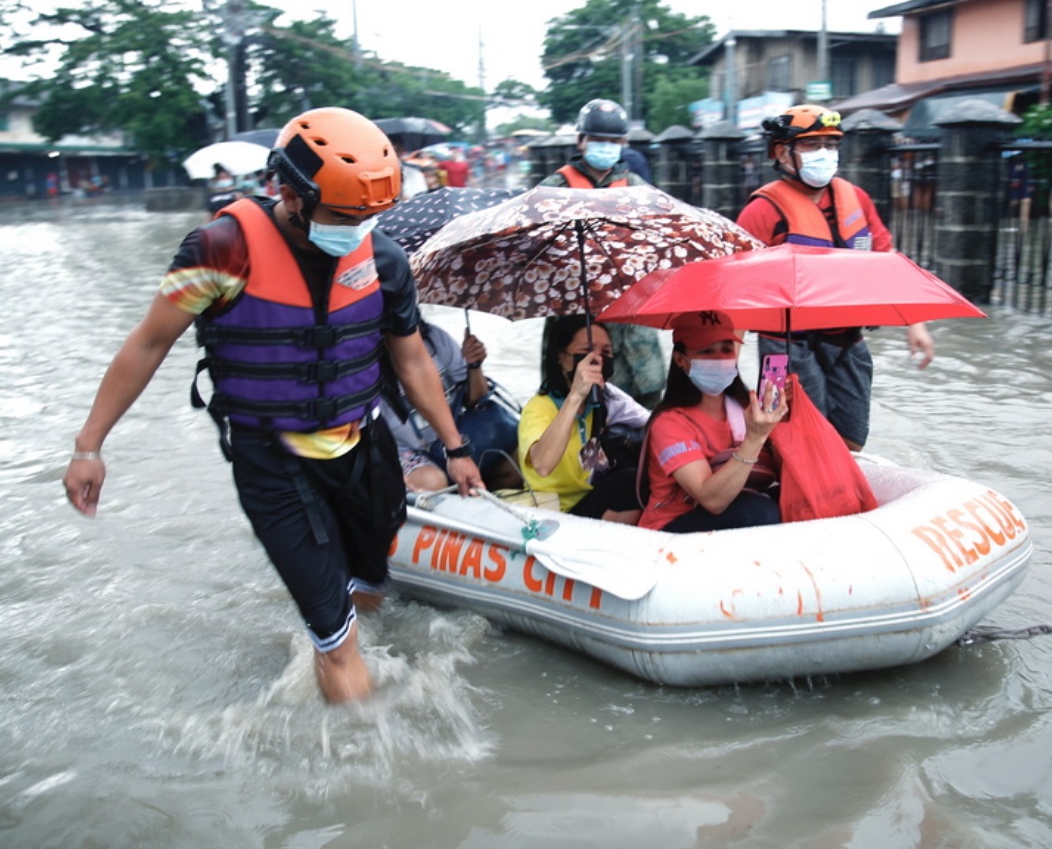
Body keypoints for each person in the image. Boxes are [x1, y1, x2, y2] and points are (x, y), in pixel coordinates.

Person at [62, 107, 484, 705]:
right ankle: (358, 758)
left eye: (370, 217)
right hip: (273, 461)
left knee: (369, 587)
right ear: (289, 192)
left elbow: (412, 360)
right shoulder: (220, 251)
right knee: (338, 641)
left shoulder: (383, 259)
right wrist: (89, 446)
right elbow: (149, 342)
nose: (359, 230)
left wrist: (457, 448)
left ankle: (339, 623)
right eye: (343, 216)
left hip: (365, 453)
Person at [735, 104, 935, 452]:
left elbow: (887, 261)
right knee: (791, 434)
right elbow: (736, 289)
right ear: (783, 152)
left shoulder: (855, 198)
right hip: (781, 348)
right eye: (813, 146)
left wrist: (915, 324)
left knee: (852, 438)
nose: (825, 154)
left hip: (847, 339)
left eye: (831, 145)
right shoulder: (762, 211)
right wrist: (726, 355)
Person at [538, 98, 665, 408]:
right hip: (574, 315)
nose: (606, 147)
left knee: (644, 405)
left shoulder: (636, 189)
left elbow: (658, 242)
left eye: (613, 141)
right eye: (598, 140)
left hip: (632, 318)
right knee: (575, 399)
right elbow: (537, 249)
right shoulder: (554, 189)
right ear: (581, 141)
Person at [639, 311, 786, 533]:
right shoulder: (669, 423)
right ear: (681, 360)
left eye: (726, 349)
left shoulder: (746, 405)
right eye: (706, 351)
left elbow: (781, 471)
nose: (719, 358)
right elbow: (712, 500)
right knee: (759, 511)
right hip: (674, 526)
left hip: (738, 503)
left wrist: (786, 421)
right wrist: (755, 438)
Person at [518, 314, 648, 524]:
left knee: (637, 477)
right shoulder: (539, 407)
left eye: (605, 352)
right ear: (561, 357)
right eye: (585, 352)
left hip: (588, 499)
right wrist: (575, 397)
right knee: (628, 480)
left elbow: (652, 422)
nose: (596, 360)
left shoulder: (604, 397)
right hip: (549, 510)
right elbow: (542, 465)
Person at [380, 316, 520, 492]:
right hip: (405, 450)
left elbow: (476, 400)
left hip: (454, 434)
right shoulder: (362, 363)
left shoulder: (434, 338)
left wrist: (474, 365)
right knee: (433, 482)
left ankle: (483, 501)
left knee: (519, 461)